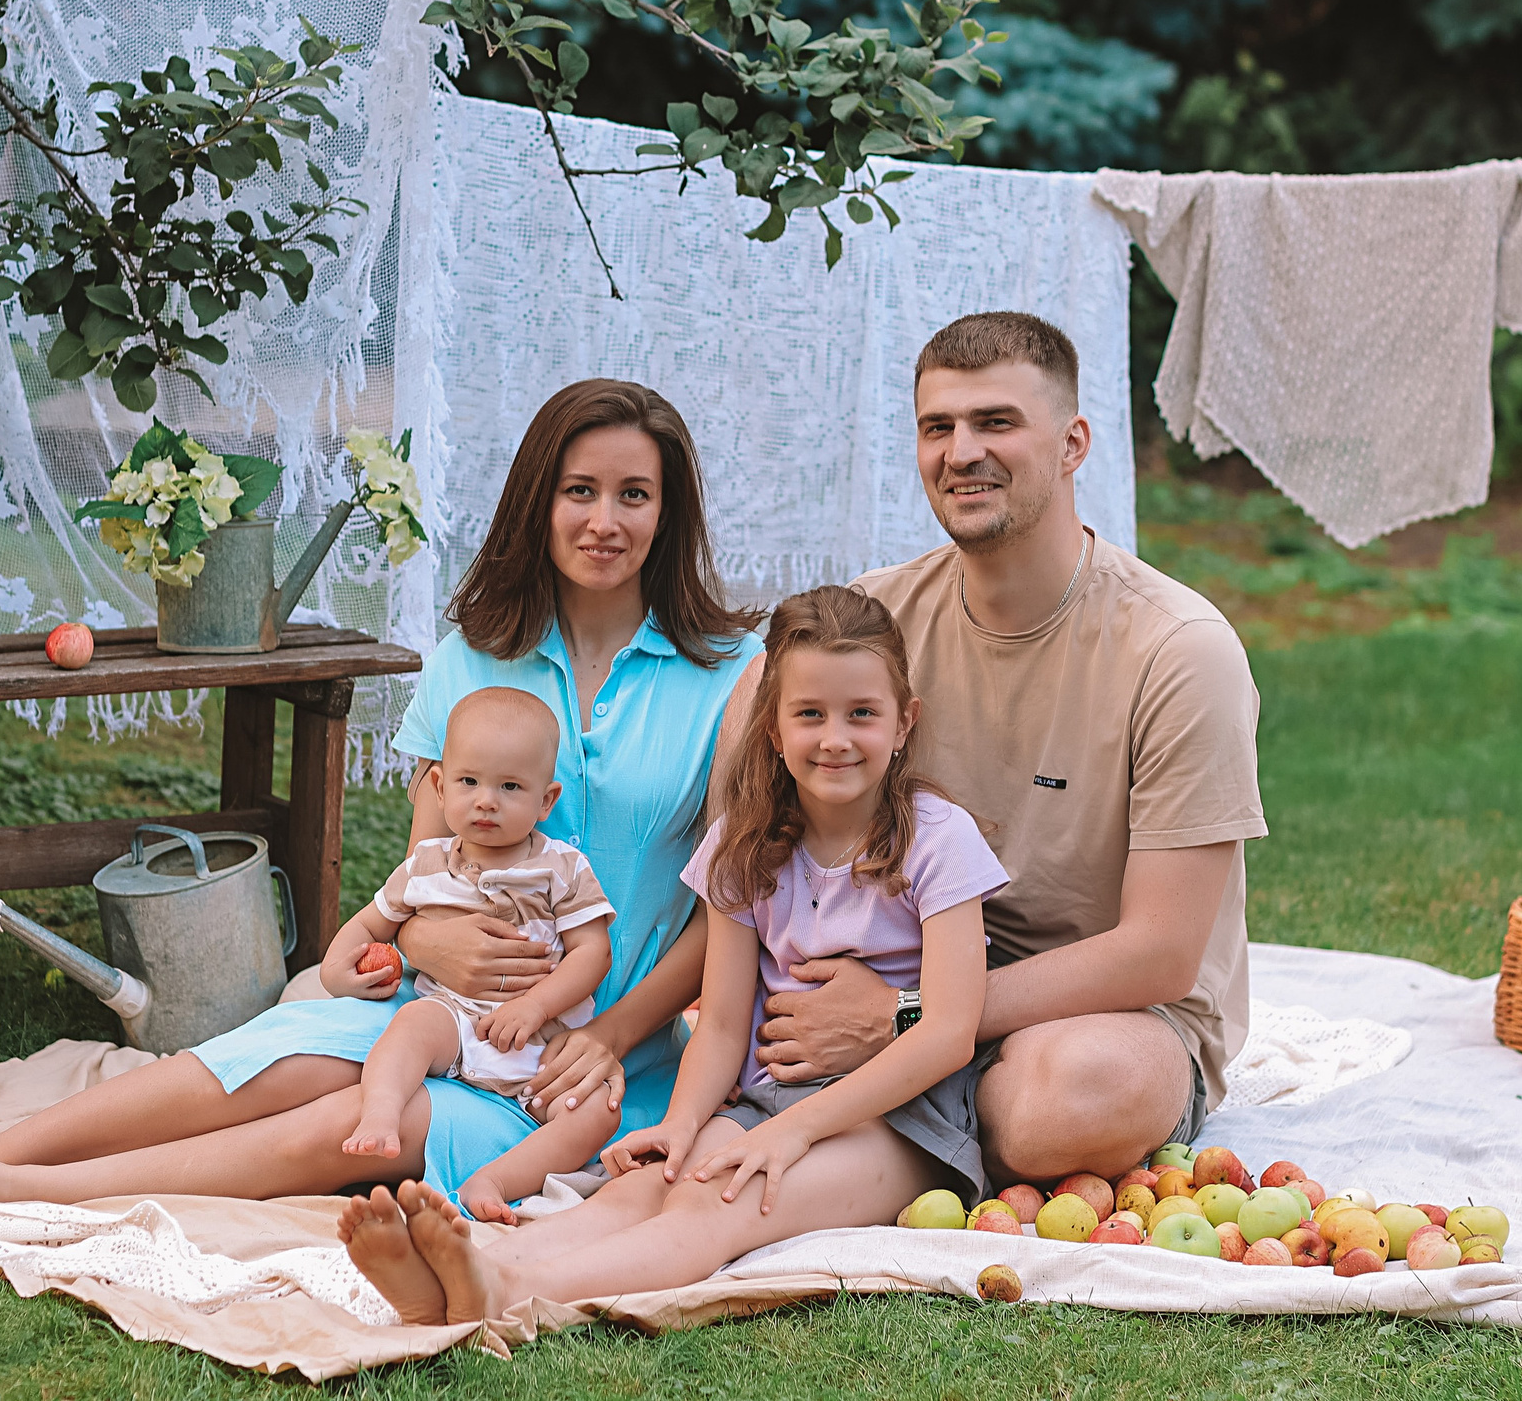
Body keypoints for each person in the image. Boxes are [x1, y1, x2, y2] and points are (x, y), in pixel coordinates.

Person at [0, 379, 762, 1207]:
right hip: (435, 1013)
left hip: (589, 1063)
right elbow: (423, 861)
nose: (605, 519)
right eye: (580, 490)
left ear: (667, 513)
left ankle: (21, 1190)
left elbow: (724, 910)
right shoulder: (475, 657)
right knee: (275, 1058)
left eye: (634, 495)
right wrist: (423, 935)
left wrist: (613, 1031)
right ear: (539, 502)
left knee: (349, 1127)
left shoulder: (730, 678)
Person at [338, 584, 1008, 1324]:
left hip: (902, 1117)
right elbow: (721, 1025)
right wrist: (683, 1122)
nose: (835, 737)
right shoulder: (746, 848)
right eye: (809, 713)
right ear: (776, 730)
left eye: (862, 713)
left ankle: (508, 1293)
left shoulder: (938, 841)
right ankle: (472, 1267)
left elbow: (948, 1028)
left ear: (904, 721)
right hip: (767, 1097)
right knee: (646, 1184)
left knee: (716, 1204)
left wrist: (795, 1130)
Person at [748, 311, 1266, 1184]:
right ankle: (902, 1111)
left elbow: (1161, 952)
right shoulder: (880, 617)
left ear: (1072, 444)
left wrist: (904, 1016)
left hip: (1110, 1016)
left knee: (1056, 1105)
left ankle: (898, 1120)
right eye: (937, 428)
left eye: (995, 423)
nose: (961, 453)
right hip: (897, 965)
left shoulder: (1179, 649)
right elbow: (745, 789)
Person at [322, 685, 620, 1222]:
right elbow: (371, 923)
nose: (486, 800)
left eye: (510, 786)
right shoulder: (426, 865)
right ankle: (381, 1115)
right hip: (455, 1022)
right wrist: (335, 969)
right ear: (439, 786)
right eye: (469, 782)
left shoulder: (562, 868)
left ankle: (498, 1179)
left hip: (541, 1045)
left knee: (597, 1108)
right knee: (412, 1024)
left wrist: (537, 1007)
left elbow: (592, 953)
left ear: (546, 800)